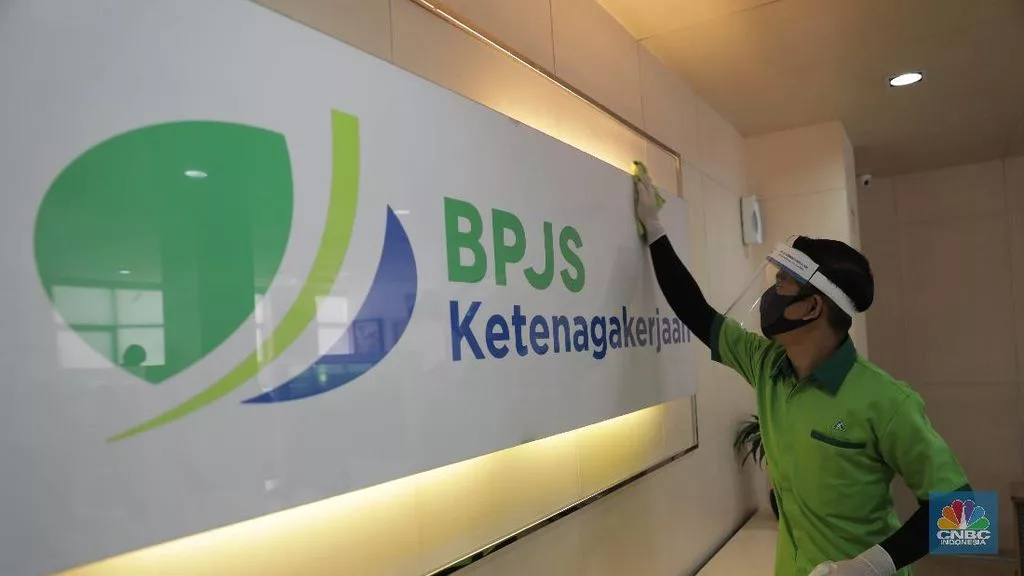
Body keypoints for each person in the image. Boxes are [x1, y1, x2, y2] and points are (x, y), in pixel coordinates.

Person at [633, 173, 970, 575]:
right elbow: (696, 311)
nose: (770, 295)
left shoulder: (887, 402)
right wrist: (654, 228)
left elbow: (966, 517)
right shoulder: (766, 365)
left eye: (782, 283)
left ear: (812, 308)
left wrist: (873, 564)